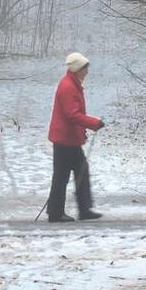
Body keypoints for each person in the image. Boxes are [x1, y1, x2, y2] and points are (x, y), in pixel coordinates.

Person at [46, 51, 104, 222]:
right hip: (64, 140)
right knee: (62, 176)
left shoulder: (72, 84)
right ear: (78, 69)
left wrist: (83, 131)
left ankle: (82, 209)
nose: (87, 72)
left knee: (80, 172)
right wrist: (94, 123)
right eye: (85, 69)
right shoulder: (68, 87)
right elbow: (72, 115)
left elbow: (73, 115)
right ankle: (56, 213)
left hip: (68, 138)